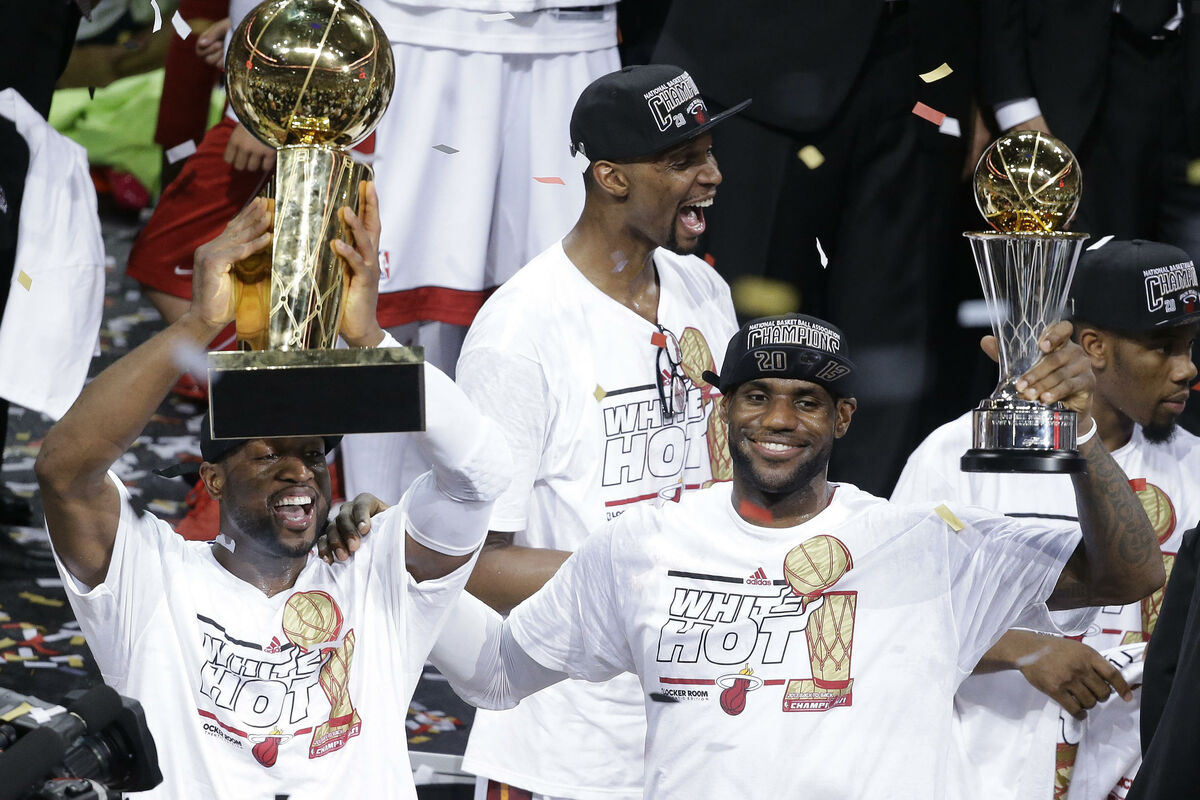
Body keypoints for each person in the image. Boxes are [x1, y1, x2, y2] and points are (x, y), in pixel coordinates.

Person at [329, 311, 1163, 798]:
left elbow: (1129, 574)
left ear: (843, 419)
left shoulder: (924, 543)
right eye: (757, 396)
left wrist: (1081, 440)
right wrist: (401, 568)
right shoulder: (645, 545)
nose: (779, 420)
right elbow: (496, 674)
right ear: (721, 411)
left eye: (808, 401)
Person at [33, 184, 510, 799]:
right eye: (267, 454)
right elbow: (64, 473)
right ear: (212, 478)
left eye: (312, 454)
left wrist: (370, 339)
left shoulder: (376, 576)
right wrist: (200, 322)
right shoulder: (152, 578)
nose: (299, 471)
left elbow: (482, 474)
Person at [457, 64, 742, 800]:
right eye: (682, 161)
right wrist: (652, 579)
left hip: (704, 722)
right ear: (612, 177)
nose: (712, 176)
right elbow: (473, 564)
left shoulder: (704, 290)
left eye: (709, 153)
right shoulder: (520, 333)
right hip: (568, 745)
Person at [892, 238, 1200, 797]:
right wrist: (1024, 649)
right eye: (1163, 348)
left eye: (1190, 345)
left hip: (1142, 774)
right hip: (987, 775)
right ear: (1094, 347)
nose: (1188, 369)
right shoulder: (959, 452)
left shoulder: (1195, 466)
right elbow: (892, 617)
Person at [651, 0, 982, 497]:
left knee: (889, 341)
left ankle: (861, 524)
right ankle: (736, 519)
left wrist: (978, 88)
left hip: (919, 68)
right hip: (755, 66)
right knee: (743, 328)